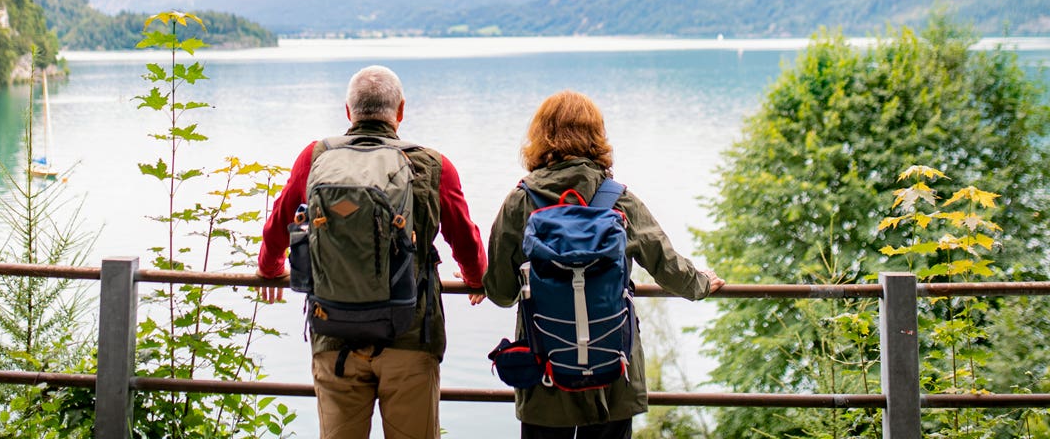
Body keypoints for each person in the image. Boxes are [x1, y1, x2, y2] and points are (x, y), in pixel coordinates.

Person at [258, 65, 488, 439]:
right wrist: (476, 279)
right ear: (400, 111)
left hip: (334, 336)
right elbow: (465, 240)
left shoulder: (315, 157)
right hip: (410, 338)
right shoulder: (433, 165)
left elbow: (279, 224)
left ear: (348, 112)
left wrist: (269, 270)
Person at [483, 90, 725, 439]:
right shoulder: (618, 199)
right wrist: (701, 282)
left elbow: (503, 292)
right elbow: (666, 265)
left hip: (545, 371)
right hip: (614, 372)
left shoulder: (521, 201)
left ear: (539, 137)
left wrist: (482, 278)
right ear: (597, 137)